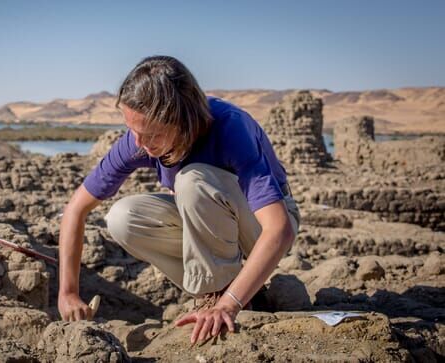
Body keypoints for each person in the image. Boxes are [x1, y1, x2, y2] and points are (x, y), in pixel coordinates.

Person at [58, 55, 300, 345]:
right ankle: (234, 292)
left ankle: (221, 300)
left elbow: (279, 228)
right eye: (133, 130)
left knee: (192, 180)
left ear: (183, 120)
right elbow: (76, 208)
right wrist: (68, 292)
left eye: (151, 134)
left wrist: (227, 306)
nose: (139, 144)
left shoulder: (229, 128)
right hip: (213, 222)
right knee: (123, 218)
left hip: (265, 224)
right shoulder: (138, 141)